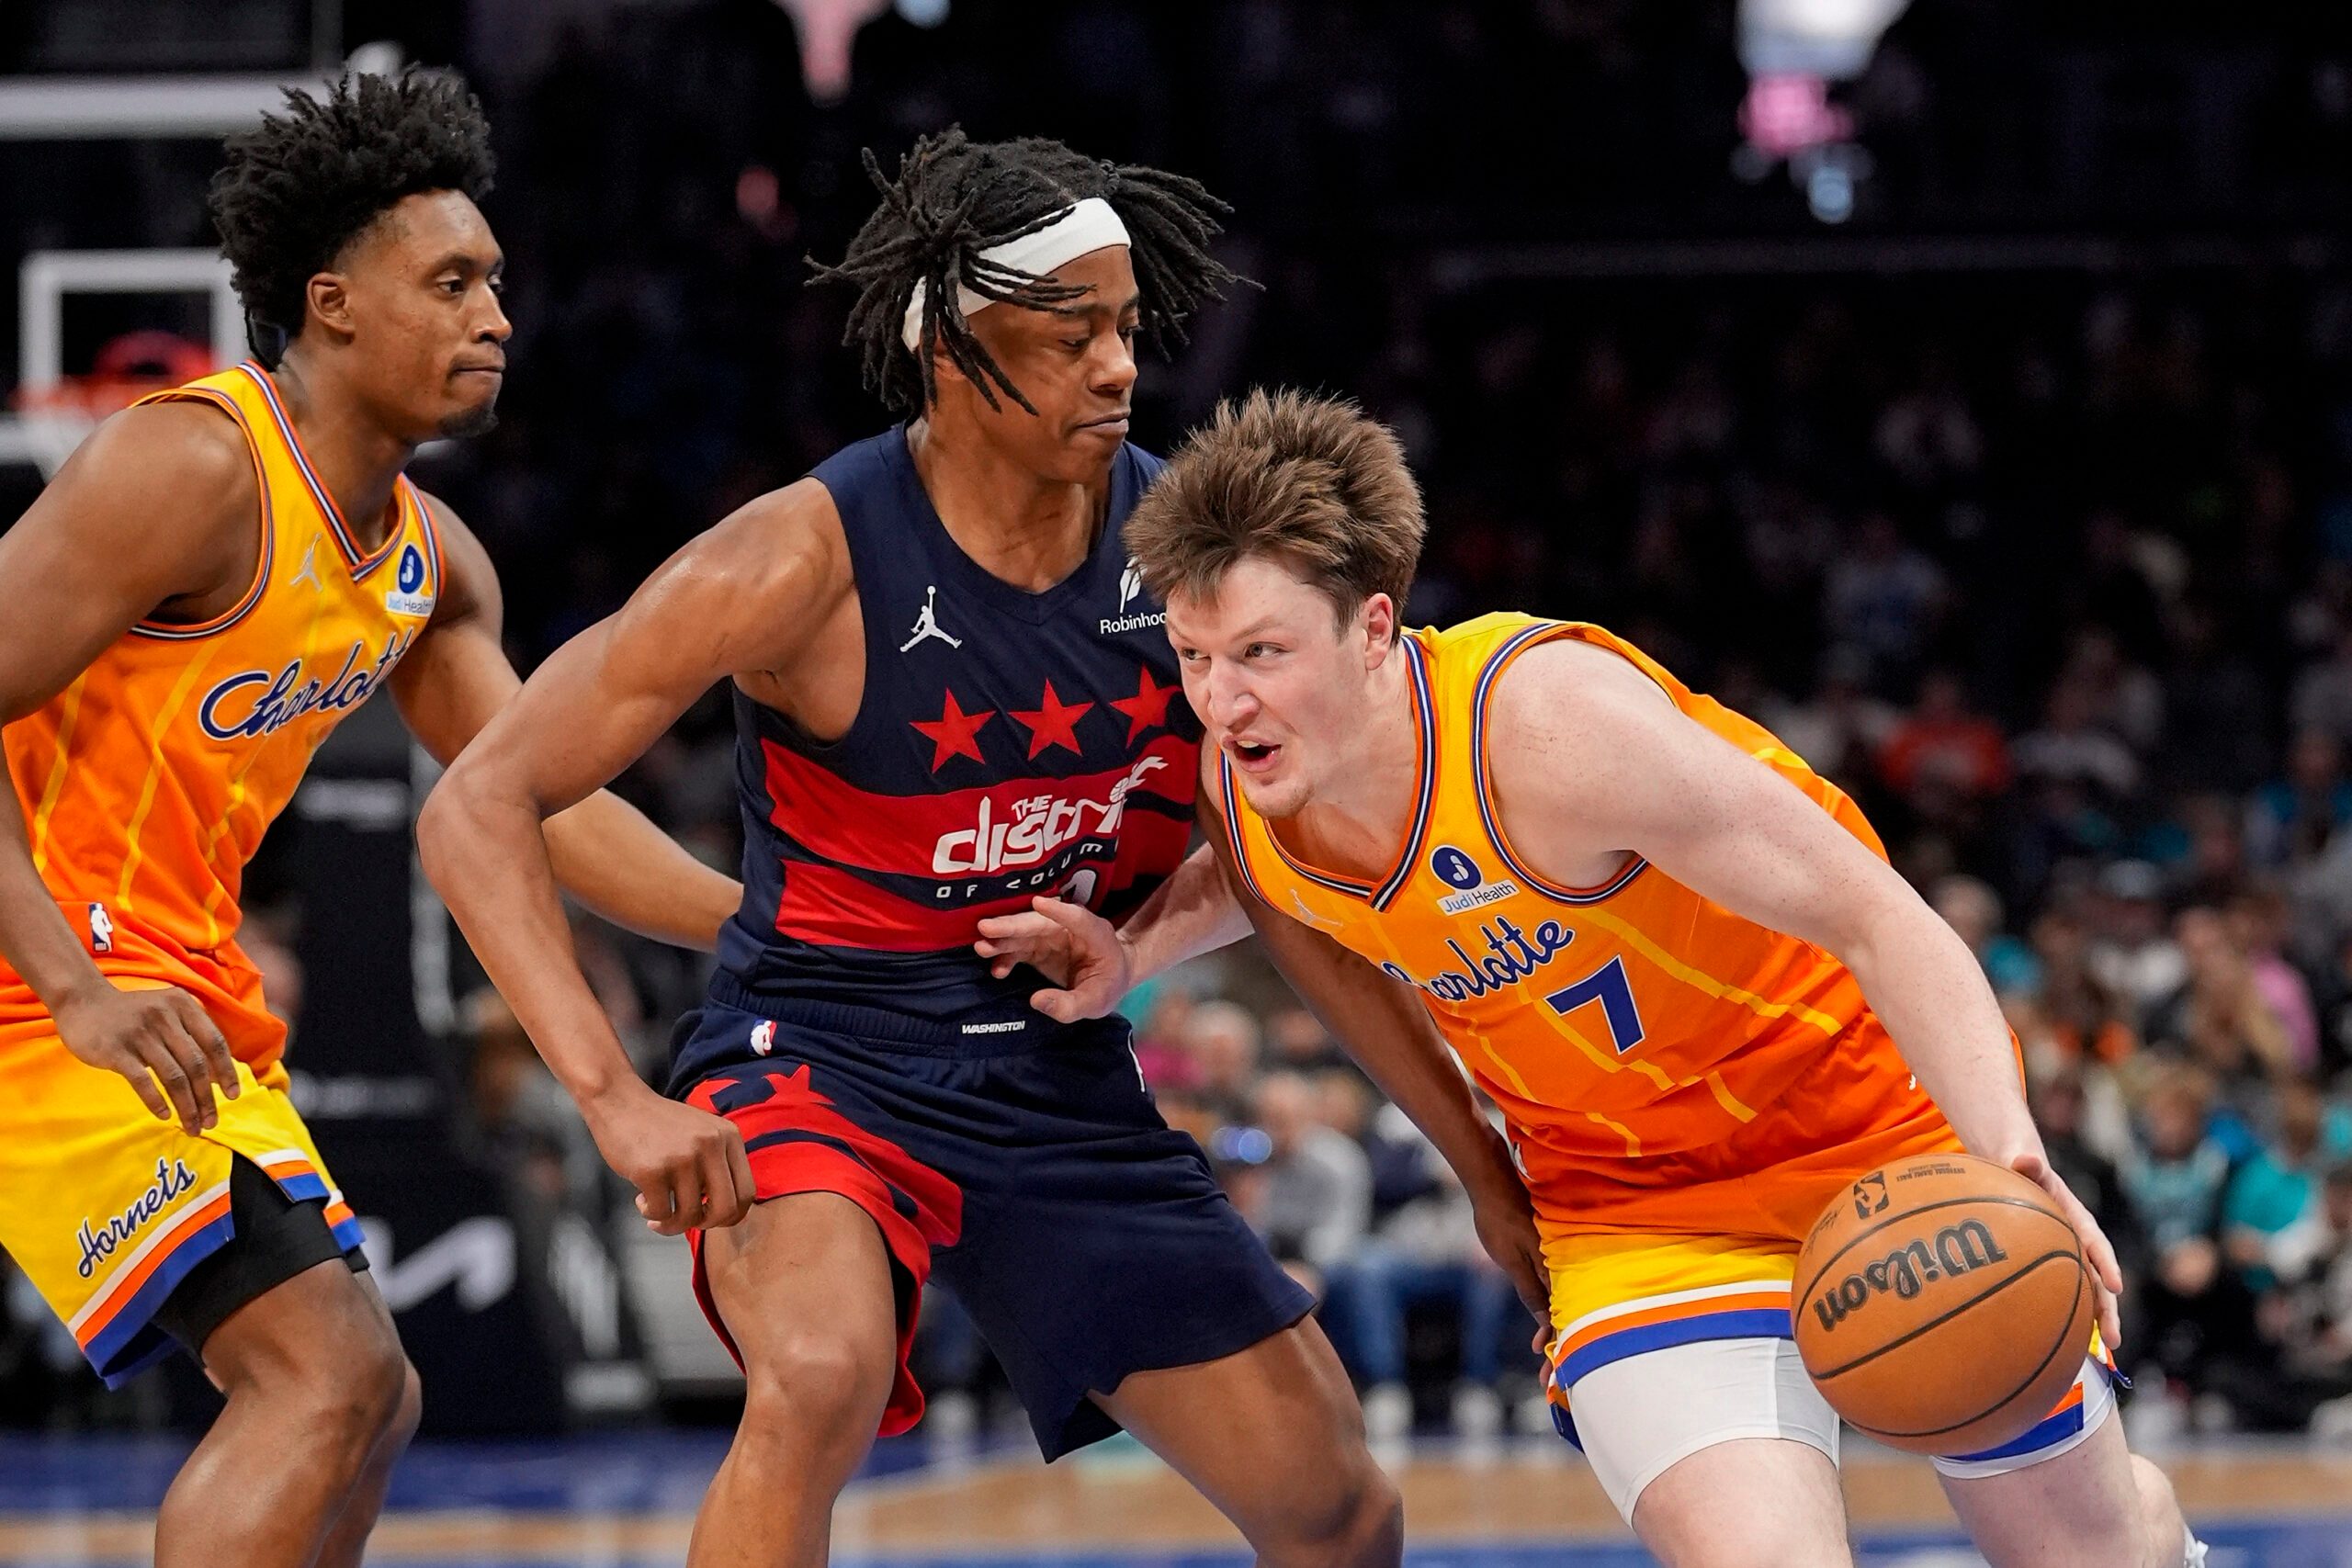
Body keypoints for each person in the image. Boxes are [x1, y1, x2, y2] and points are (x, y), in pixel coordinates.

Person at [420, 134, 1430, 1568]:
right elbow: (477, 806)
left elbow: (1293, 879)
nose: (1118, 367)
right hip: (821, 1052)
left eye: (1127, 326)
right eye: (1072, 335)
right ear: (955, 350)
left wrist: (1482, 1170)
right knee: (817, 1375)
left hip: (1053, 1069)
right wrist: (612, 1097)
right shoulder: (793, 561)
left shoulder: (1184, 557)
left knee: (1341, 1510)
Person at [980, 389, 2206, 1567]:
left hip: (1873, 1133)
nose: (1220, 697)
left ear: (1374, 626)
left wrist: (2012, 1152)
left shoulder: (1548, 731)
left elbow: (1879, 917)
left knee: (2088, 1556)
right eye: (1194, 653)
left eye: (1260, 650)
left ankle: (2144, 1534)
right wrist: (1139, 946)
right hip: (1633, 1205)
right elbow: (1266, 893)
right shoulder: (1250, 779)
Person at [0, 71, 736, 1568]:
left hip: (165, 984)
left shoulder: (429, 567)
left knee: (373, 1396)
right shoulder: (191, 469)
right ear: (330, 305)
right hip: (40, 977)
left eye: (496, 283)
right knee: (321, 1378)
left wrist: (777, 924)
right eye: (451, 284)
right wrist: (72, 988)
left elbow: (540, 809)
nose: (496, 317)